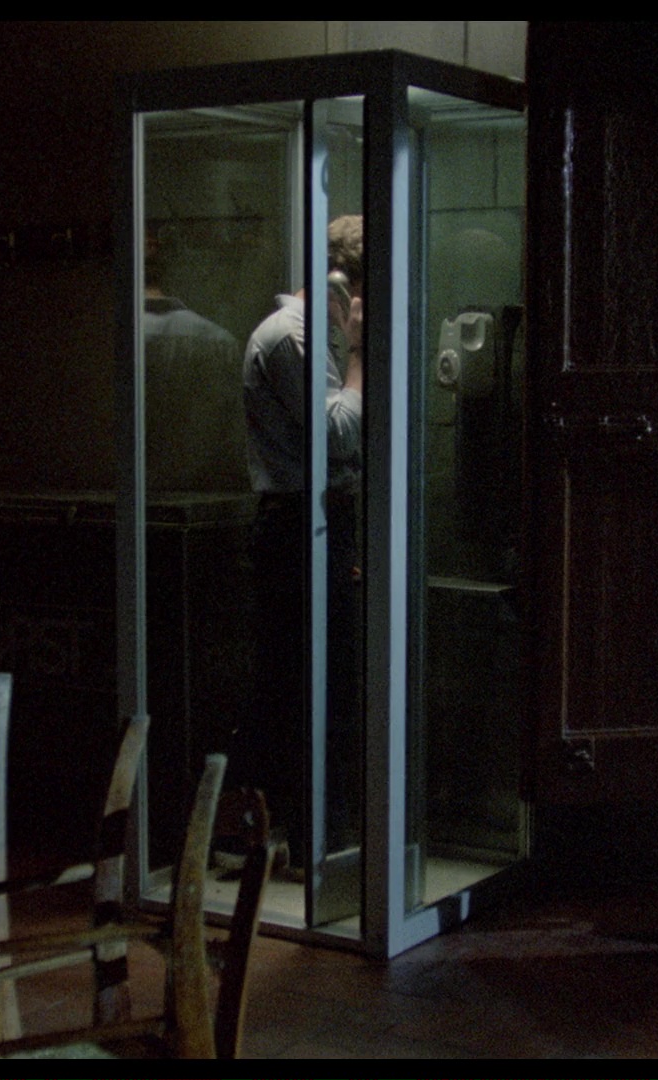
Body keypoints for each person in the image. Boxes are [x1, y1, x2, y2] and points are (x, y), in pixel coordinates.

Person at [239, 215, 365, 872]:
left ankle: (315, 836)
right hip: (298, 525)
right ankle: (302, 838)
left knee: (322, 683)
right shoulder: (295, 335)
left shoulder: (312, 334)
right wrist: (361, 355)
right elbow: (337, 435)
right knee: (305, 686)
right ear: (344, 285)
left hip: (317, 522)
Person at [141, 242, 247, 494]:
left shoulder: (103, 340)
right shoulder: (219, 341)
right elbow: (233, 435)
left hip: (118, 491)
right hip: (198, 491)